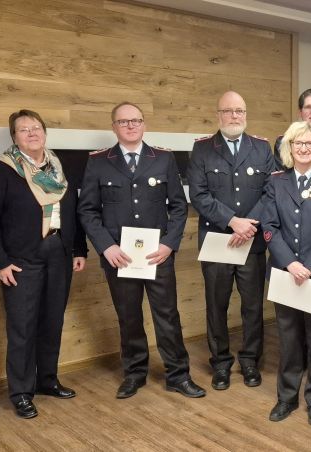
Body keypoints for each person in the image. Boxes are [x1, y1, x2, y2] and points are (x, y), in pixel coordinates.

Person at [78, 102, 204, 399]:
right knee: (129, 316)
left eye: (136, 120)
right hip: (119, 257)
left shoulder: (163, 158)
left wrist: (169, 244)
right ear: (114, 127)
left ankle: (178, 375)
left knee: (167, 316)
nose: (131, 126)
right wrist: (106, 246)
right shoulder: (99, 162)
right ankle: (134, 374)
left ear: (144, 124)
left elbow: (178, 206)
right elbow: (87, 210)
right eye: (124, 122)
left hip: (157, 255)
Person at [0, 110, 88, 418]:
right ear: (14, 137)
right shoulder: (3, 170)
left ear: (44, 132)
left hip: (59, 255)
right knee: (23, 328)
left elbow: (74, 210)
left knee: (52, 322)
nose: (31, 133)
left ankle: (47, 381)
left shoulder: (57, 167)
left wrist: (78, 248)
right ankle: (21, 392)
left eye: (36, 127)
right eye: (24, 129)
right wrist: (0, 262)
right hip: (21, 261)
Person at [188, 91, 277, 390]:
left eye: (239, 110)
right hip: (218, 240)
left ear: (246, 114)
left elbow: (271, 191)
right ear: (218, 115)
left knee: (252, 306)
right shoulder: (202, 149)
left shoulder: (261, 148)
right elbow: (198, 194)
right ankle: (221, 363)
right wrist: (232, 221)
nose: (234, 116)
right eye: (228, 111)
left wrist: (248, 225)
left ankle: (250, 361)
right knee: (217, 305)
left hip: (251, 240)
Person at [261, 121, 311, 426]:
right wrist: (290, 263)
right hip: (285, 274)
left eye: (310, 143)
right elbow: (269, 227)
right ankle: (286, 398)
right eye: (298, 143)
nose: (304, 148)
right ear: (289, 148)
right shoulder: (276, 182)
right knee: (288, 340)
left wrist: (309, 266)